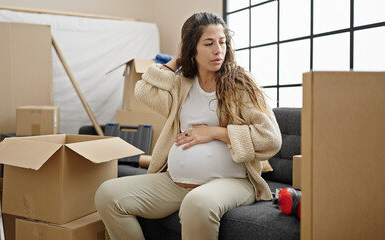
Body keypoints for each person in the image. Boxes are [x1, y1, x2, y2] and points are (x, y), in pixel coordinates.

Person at [94, 12, 282, 240]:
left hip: (232, 182)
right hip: (175, 184)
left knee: (197, 203)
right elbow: (143, 90)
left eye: (222, 42)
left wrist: (214, 132)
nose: (218, 50)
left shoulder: (240, 84)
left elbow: (270, 138)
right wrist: (178, 60)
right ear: (192, 48)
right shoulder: (182, 85)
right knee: (107, 194)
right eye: (209, 43)